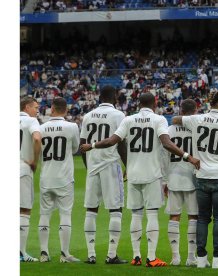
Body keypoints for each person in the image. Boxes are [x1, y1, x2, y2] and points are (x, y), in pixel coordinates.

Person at [80, 92, 200, 268]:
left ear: (138, 103)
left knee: (136, 214)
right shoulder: (159, 120)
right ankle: (151, 258)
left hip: (133, 173)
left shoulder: (128, 120)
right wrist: (188, 156)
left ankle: (136, 256)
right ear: (155, 103)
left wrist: (92, 145)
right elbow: (166, 144)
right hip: (151, 173)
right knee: (151, 214)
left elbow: (113, 140)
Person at [172, 90, 218, 269]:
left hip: (201, 175)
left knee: (203, 218)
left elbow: (175, 120)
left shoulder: (197, 119)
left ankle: (201, 258)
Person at [80, 86, 128, 265]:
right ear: (114, 97)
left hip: (93, 166)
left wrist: (88, 166)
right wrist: (127, 165)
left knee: (91, 209)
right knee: (115, 209)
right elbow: (120, 143)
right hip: (111, 165)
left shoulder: (88, 116)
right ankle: (111, 255)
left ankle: (91, 255)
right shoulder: (118, 116)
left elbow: (83, 144)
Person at [37, 97, 81, 263]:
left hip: (46, 176)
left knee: (44, 214)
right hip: (64, 177)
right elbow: (76, 148)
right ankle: (64, 254)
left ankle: (43, 254)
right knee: (65, 214)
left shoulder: (41, 128)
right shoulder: (72, 127)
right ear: (66, 110)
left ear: (51, 109)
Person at [161, 99, 198, 267]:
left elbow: (164, 157)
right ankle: (191, 257)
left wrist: (164, 181)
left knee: (174, 216)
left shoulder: (169, 130)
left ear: (180, 110)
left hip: (174, 176)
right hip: (193, 176)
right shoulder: (197, 128)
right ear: (196, 110)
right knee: (193, 216)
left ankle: (175, 257)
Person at [20, 97, 42, 262]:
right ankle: (21, 253)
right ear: (27, 107)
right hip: (22, 169)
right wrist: (35, 161)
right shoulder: (31, 121)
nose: (37, 110)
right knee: (24, 210)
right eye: (35, 107)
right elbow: (36, 138)